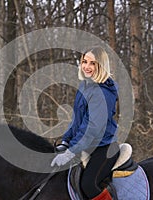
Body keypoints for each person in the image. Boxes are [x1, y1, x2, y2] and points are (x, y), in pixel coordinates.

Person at [51, 46, 120, 200]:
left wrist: (71, 151)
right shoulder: (85, 86)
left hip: (104, 147)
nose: (87, 67)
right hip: (88, 145)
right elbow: (77, 120)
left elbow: (93, 128)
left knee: (87, 185)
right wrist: (66, 140)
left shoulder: (103, 91)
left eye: (92, 63)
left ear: (101, 65)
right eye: (84, 62)